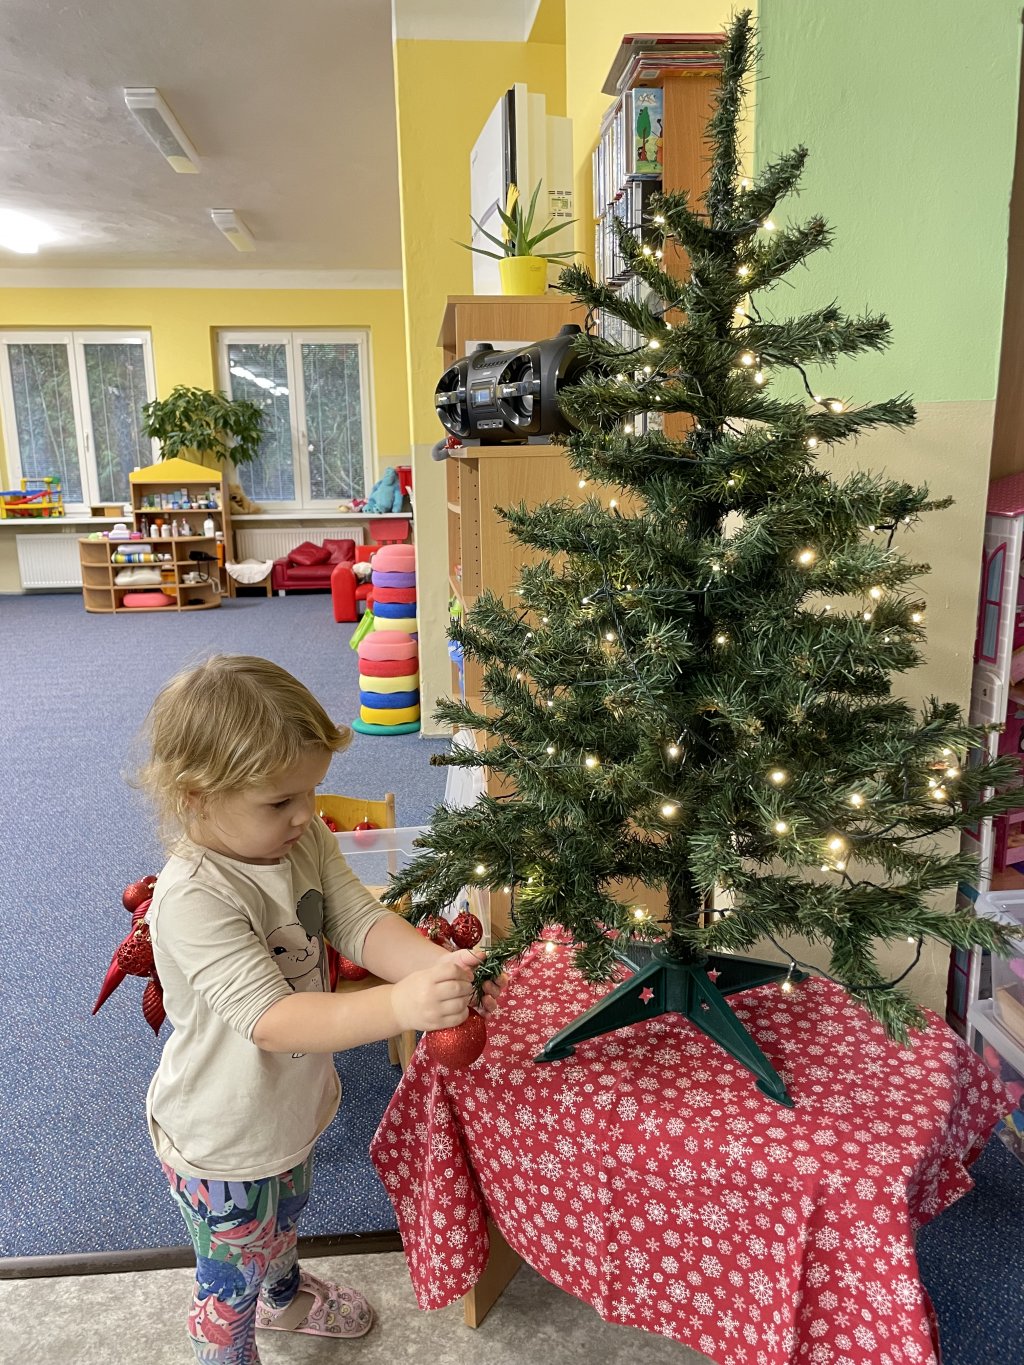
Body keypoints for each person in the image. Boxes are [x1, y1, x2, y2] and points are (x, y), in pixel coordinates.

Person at [135, 654, 501, 1363]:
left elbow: (360, 922)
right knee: (229, 1283)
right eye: (280, 802)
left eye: (310, 791)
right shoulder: (194, 897)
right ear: (196, 797)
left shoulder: (304, 840)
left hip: (288, 1106)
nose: (306, 814)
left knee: (284, 1221)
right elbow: (272, 1020)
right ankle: (230, 1346)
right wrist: (402, 1005)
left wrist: (434, 968)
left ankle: (283, 1294)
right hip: (221, 1137)